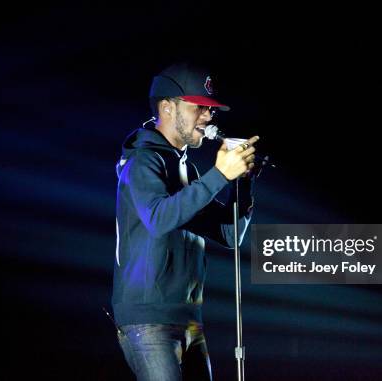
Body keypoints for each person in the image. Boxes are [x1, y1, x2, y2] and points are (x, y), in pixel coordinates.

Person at [112, 62, 259, 380]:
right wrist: (219, 174)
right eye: (200, 108)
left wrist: (243, 182)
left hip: (190, 318)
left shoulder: (187, 170)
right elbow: (158, 218)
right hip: (149, 320)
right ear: (167, 108)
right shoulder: (141, 160)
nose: (208, 118)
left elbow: (229, 234)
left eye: (210, 110)